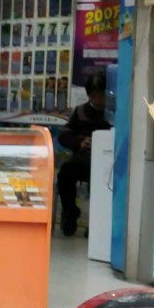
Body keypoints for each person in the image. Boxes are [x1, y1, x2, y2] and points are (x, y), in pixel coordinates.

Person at [57, 72, 111, 237]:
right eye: (95, 95)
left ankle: (96, 222)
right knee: (65, 172)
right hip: (84, 160)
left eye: (102, 94)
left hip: (107, 161)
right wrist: (79, 142)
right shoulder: (80, 111)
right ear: (90, 95)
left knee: (103, 180)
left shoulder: (114, 112)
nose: (100, 99)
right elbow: (64, 135)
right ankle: (70, 212)